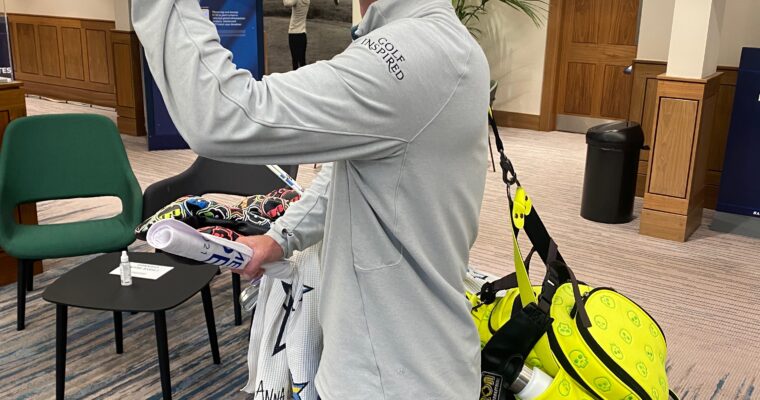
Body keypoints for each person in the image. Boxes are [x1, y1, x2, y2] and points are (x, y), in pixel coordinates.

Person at [132, 0, 489, 398]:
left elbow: (222, 115)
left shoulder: (411, 52)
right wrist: (279, 238)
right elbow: (347, 172)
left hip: (391, 377)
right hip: (398, 360)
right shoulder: (448, 43)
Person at [284, 0, 310, 70]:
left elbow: (286, 4)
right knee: (302, 61)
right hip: (303, 34)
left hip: (293, 34)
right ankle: (304, 76)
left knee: (295, 62)